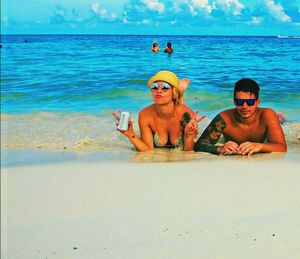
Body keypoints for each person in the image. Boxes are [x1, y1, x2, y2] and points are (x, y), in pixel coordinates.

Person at [113, 70, 205, 152]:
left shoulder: (188, 115)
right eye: (155, 87)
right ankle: (179, 91)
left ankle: (180, 92)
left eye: (165, 87)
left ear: (173, 92)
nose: (159, 91)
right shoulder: (145, 115)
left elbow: (188, 151)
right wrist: (131, 134)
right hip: (173, 99)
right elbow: (147, 149)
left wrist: (189, 134)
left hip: (178, 107)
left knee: (181, 109)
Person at [194, 78, 287, 156]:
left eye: (250, 102)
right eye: (240, 102)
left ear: (258, 102)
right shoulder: (224, 118)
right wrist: (219, 148)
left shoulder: (267, 115)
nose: (244, 107)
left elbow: (282, 147)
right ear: (234, 102)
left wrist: (259, 146)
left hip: (267, 130)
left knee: (280, 121)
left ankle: (281, 118)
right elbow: (199, 145)